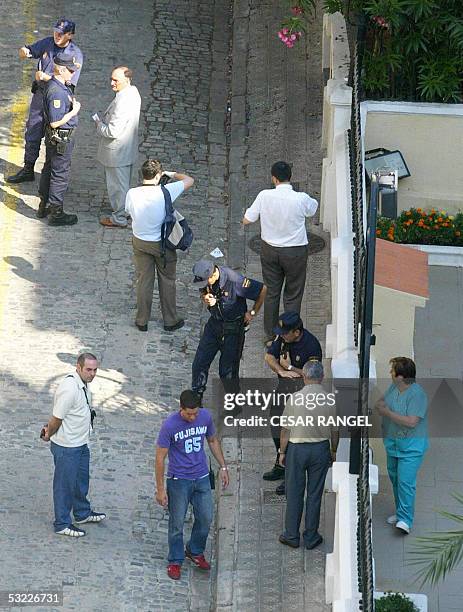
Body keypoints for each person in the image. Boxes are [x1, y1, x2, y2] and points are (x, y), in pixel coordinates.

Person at [155, 390, 229, 580]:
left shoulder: (205, 417)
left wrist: (223, 466)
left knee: (205, 517)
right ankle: (175, 559)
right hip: (179, 481)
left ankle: (195, 550)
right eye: (189, 413)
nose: (193, 416)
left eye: (195, 412)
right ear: (181, 408)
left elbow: (212, 440)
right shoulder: (169, 426)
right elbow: (160, 458)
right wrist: (161, 489)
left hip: (202, 477)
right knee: (177, 523)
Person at [242, 161, 318, 345]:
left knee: (271, 292)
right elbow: (313, 208)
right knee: (293, 293)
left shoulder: (264, 195)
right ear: (290, 178)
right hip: (295, 251)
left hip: (269, 250)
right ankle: (289, 333)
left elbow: (247, 220)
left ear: (273, 178)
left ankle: (271, 335)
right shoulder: (300, 198)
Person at [6, 18, 83, 185]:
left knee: (55, 137)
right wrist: (23, 51)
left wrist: (45, 77)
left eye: (61, 33)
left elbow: (69, 82)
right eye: (55, 31)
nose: (57, 35)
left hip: (58, 98)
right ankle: (28, 168)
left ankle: (52, 176)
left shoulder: (75, 54)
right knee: (33, 130)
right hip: (41, 95)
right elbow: (29, 50)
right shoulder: (48, 43)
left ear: (70, 35)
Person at [40, 353, 106, 537]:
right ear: (78, 367)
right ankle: (62, 523)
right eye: (88, 370)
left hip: (80, 442)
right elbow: (56, 418)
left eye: (95, 370)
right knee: (64, 485)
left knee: (80, 480)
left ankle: (82, 513)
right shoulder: (69, 389)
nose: (92, 374)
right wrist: (48, 435)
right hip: (67, 445)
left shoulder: (82, 383)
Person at [125, 159, 194, 332]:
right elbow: (189, 180)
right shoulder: (167, 191)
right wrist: (170, 174)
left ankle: (142, 320)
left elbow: (128, 211)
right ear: (158, 175)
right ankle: (170, 320)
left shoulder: (132, 193)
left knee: (144, 280)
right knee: (167, 280)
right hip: (162, 244)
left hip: (140, 241)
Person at [278, 361, 338, 550]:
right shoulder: (329, 400)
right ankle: (311, 536)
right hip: (320, 448)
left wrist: (282, 451)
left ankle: (291, 534)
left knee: (294, 492)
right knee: (314, 493)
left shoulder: (295, 398)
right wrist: (333, 450)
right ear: (322, 377)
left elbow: (285, 430)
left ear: (304, 376)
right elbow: (335, 429)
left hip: (297, 448)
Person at [263, 311, 322, 495]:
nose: (281, 335)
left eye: (285, 332)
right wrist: (281, 371)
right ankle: (281, 462)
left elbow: (311, 377)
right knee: (275, 426)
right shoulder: (283, 338)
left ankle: (290, 476)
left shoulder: (312, 347)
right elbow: (269, 357)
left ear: (296, 332)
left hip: (301, 395)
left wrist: (289, 367)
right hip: (284, 389)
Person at [191, 260, 267, 399]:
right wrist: (205, 298)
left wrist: (252, 313)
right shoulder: (205, 279)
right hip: (214, 325)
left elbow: (262, 290)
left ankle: (233, 405)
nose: (204, 285)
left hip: (233, 331)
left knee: (227, 372)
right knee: (199, 363)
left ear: (213, 275)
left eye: (205, 282)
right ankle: (196, 398)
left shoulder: (235, 280)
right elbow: (203, 291)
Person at [376, 357, 428, 535]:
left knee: (406, 482)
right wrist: (381, 406)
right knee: (396, 479)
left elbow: (412, 422)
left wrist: (387, 413)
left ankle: (406, 520)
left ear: (400, 376)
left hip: (411, 448)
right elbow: (383, 401)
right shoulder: (394, 387)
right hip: (394, 444)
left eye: (392, 371)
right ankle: (400, 513)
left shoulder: (417, 395)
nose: (390, 373)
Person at [37, 53, 81, 226]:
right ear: (61, 70)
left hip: (55, 138)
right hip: (60, 137)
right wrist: (73, 111)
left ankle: (44, 204)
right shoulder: (56, 92)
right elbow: (55, 122)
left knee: (49, 168)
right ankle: (56, 212)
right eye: (70, 70)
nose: (72, 73)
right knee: (59, 174)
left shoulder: (58, 86)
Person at [95, 66, 141, 228]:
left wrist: (99, 125)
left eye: (116, 81)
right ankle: (125, 211)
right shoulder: (133, 92)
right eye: (111, 79)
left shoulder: (122, 102)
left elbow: (112, 130)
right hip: (126, 149)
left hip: (116, 152)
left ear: (126, 80)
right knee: (123, 184)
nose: (112, 83)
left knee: (117, 187)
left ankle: (119, 218)